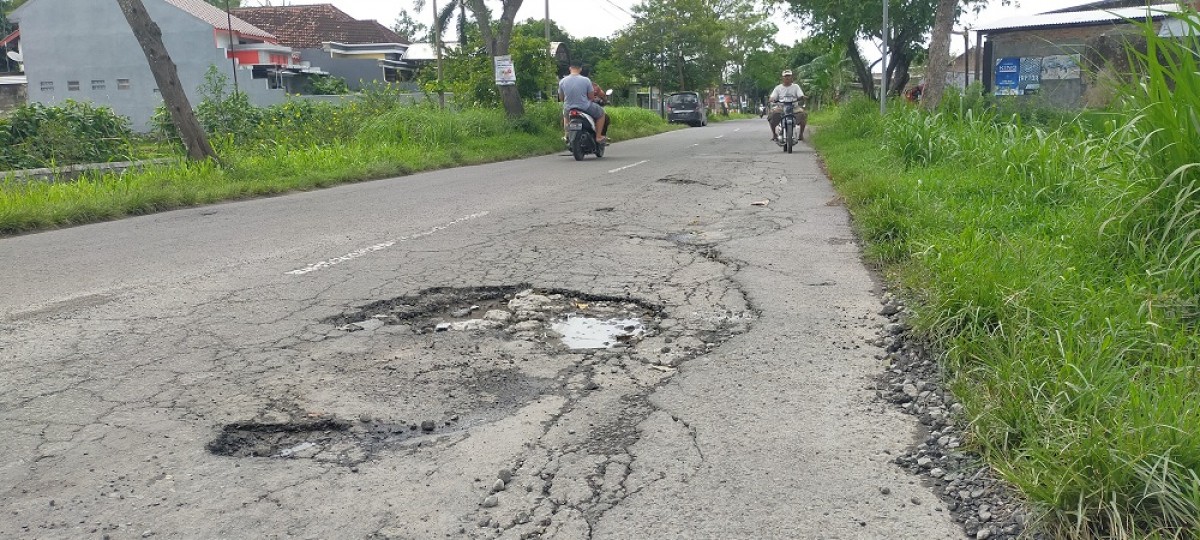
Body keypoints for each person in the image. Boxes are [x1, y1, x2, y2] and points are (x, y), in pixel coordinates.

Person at [558, 62, 607, 143]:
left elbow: (561, 98)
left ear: (570, 68)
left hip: (568, 107)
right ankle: (598, 137)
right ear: (580, 69)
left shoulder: (562, 81)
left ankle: (566, 135)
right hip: (585, 107)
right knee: (601, 113)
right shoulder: (586, 80)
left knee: (566, 116)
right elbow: (591, 97)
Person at [768, 70, 805, 142]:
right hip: (781, 108)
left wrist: (802, 97)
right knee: (772, 115)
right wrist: (772, 99)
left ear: (792, 77)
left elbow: (800, 95)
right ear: (782, 78)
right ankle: (774, 134)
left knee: (803, 115)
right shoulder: (778, 88)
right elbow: (773, 97)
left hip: (794, 107)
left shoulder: (796, 86)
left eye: (789, 76)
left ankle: (801, 134)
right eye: (785, 76)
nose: (787, 78)